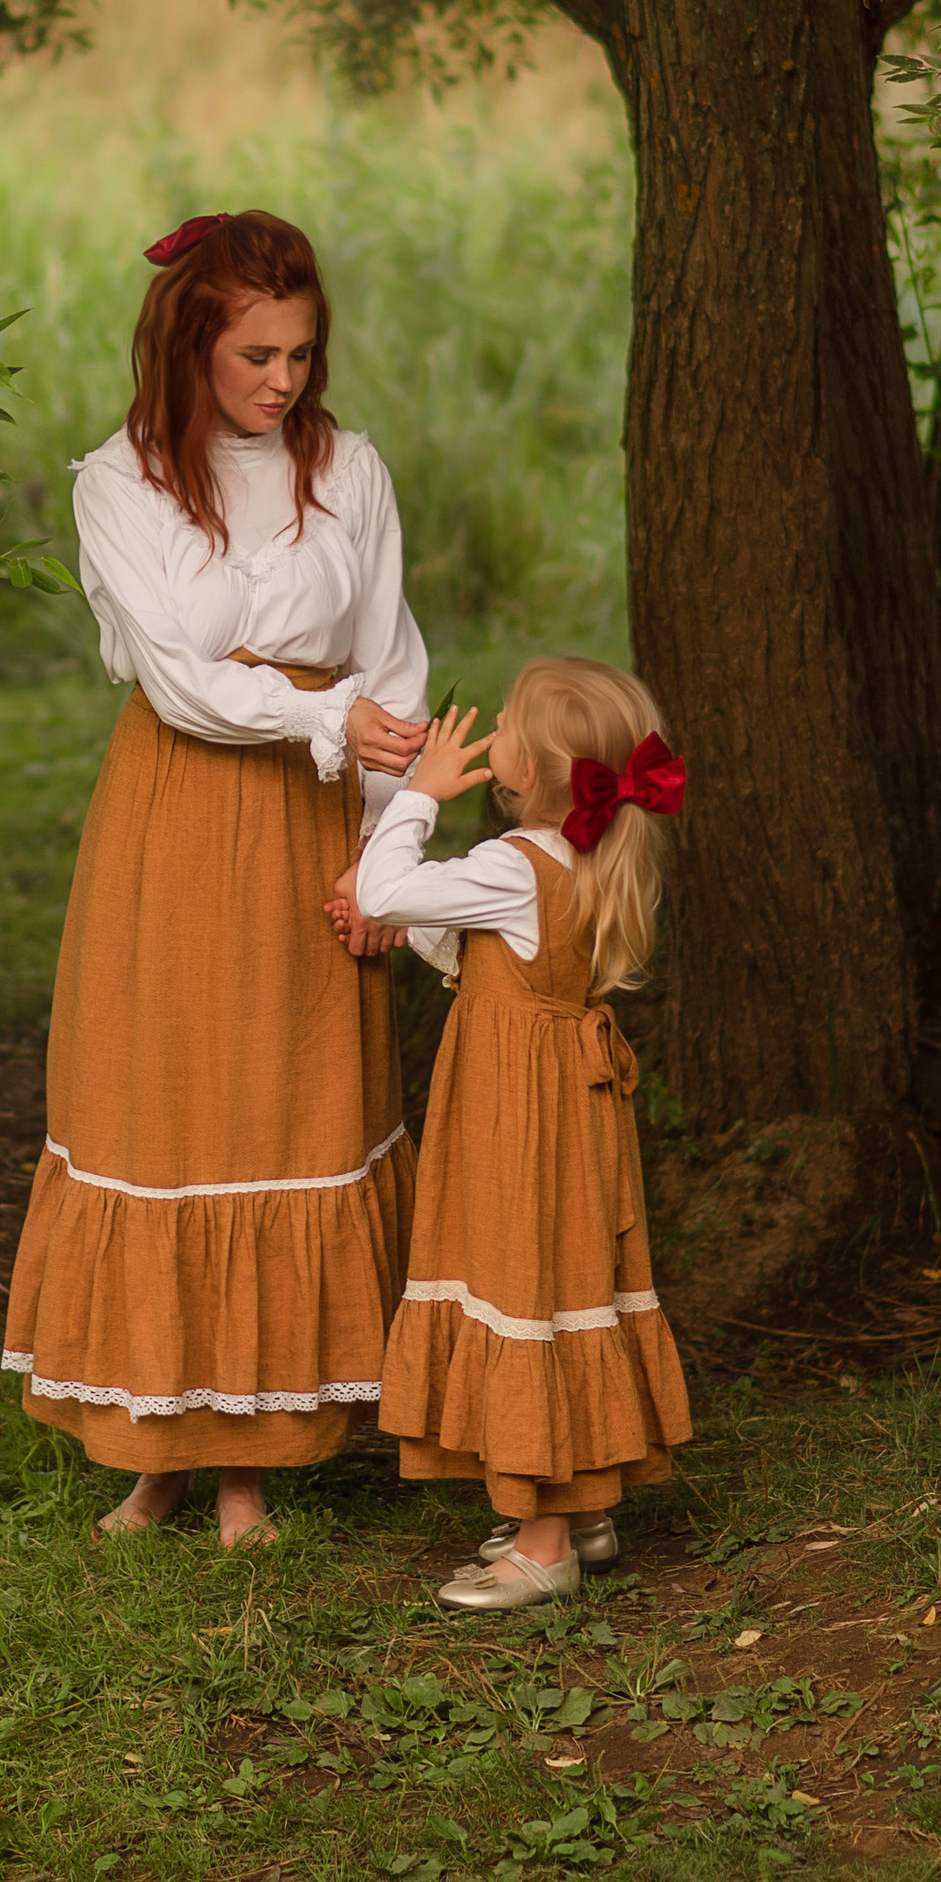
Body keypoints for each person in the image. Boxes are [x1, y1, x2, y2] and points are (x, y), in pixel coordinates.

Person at [1, 208, 430, 1548]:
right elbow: (185, 682)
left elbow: (390, 655)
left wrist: (384, 850)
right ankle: (156, 1451)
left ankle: (249, 1463)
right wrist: (315, 718)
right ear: (188, 345)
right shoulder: (115, 482)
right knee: (162, 1109)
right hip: (179, 818)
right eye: (255, 353)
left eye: (301, 352)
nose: (283, 380)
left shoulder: (346, 468)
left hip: (311, 816)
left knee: (275, 1107)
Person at [350, 660, 693, 1611]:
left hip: (514, 1117)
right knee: (566, 1281)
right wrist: (398, 910)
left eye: (506, 719)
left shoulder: (512, 864)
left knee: (519, 1284)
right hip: (570, 1116)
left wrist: (414, 802)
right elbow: (483, 945)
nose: (490, 723)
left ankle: (544, 1543)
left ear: (535, 765)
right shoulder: (581, 857)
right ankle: (586, 1509)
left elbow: (390, 892)